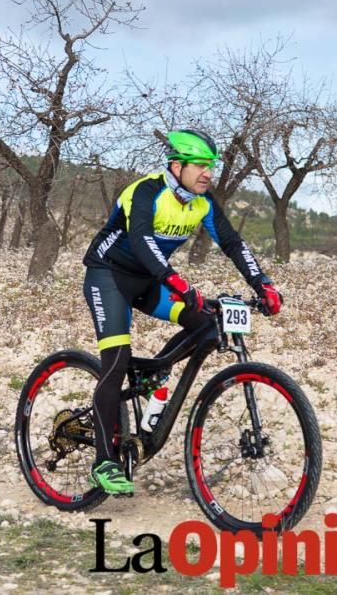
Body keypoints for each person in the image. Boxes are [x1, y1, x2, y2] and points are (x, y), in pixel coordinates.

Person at [81, 129, 282, 494]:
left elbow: (233, 243)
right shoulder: (145, 192)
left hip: (149, 281)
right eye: (201, 166)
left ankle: (154, 375)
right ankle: (103, 462)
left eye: (211, 167)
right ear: (177, 165)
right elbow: (141, 240)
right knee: (116, 360)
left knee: (205, 323)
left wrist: (262, 284)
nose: (208, 174)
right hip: (109, 276)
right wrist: (177, 282)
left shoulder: (202, 203)